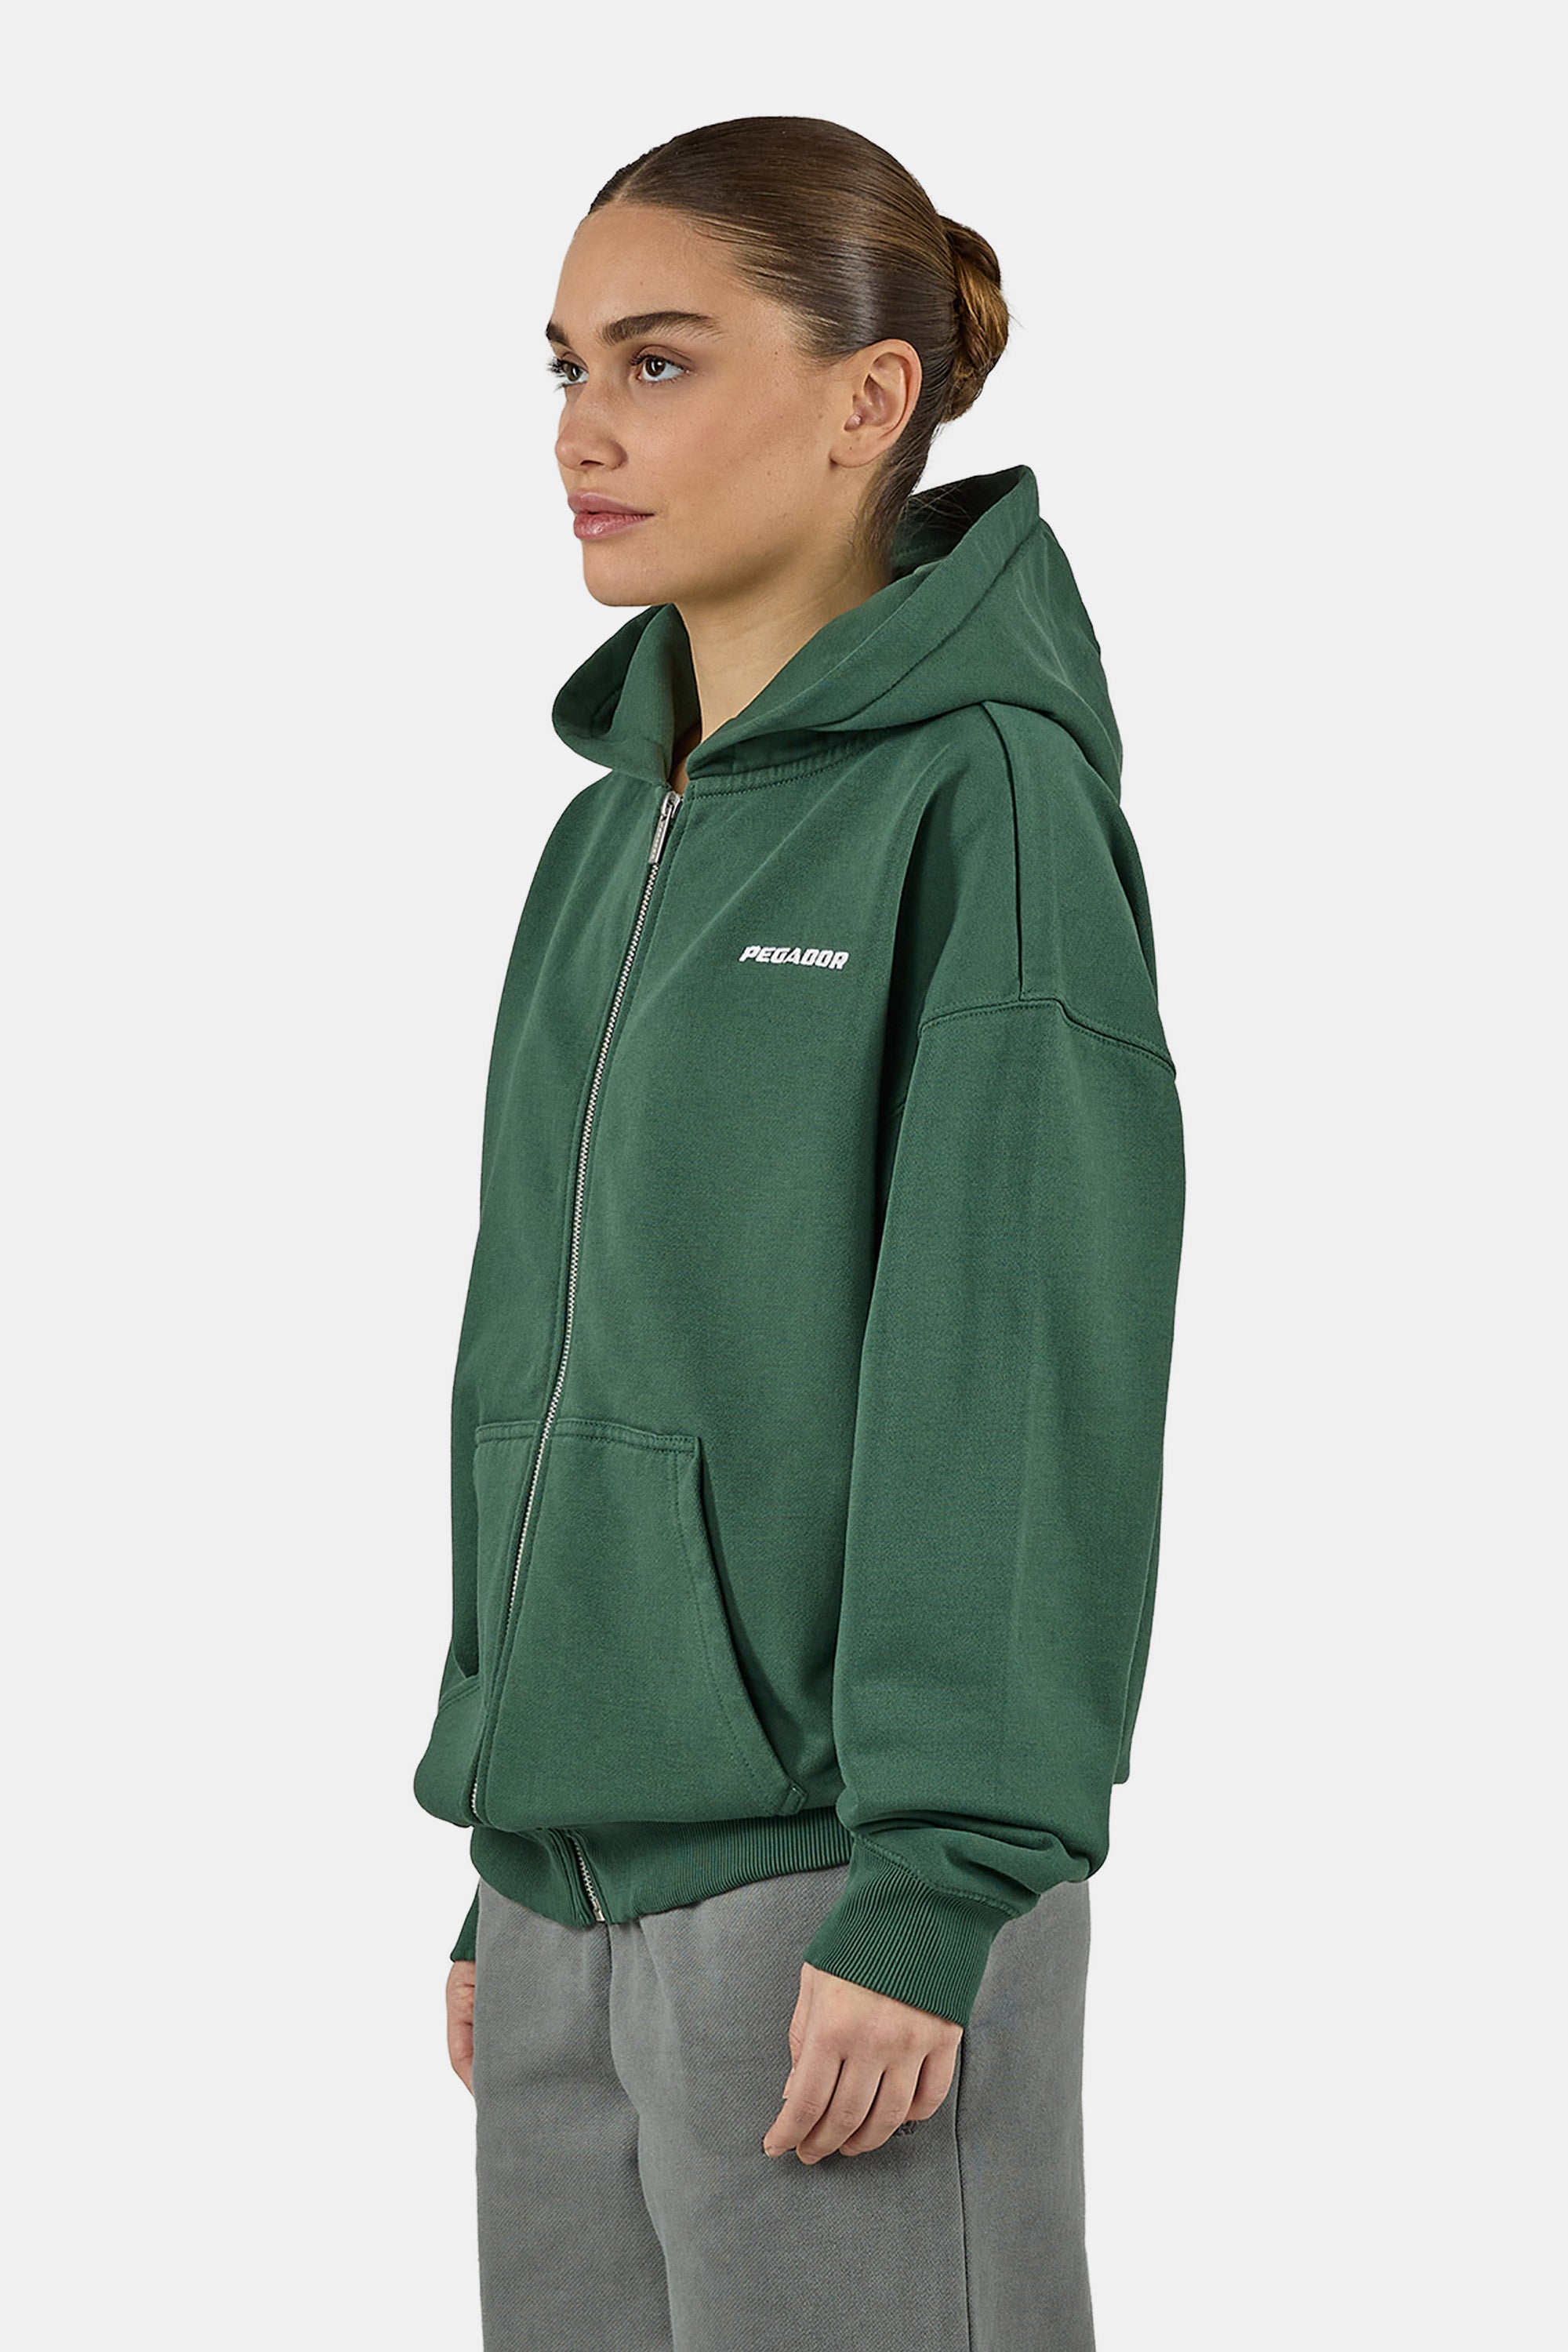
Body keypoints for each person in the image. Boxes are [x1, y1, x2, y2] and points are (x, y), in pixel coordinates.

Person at [412, 113, 1185, 2352]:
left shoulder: (984, 802)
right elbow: (543, 1352)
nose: (583, 431)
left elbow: (1013, 1371)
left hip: (841, 1900)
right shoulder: (605, 840)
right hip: (565, 1895)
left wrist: (941, 1890)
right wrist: (509, 1825)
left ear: (872, 399)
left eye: (658, 363)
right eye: (566, 366)